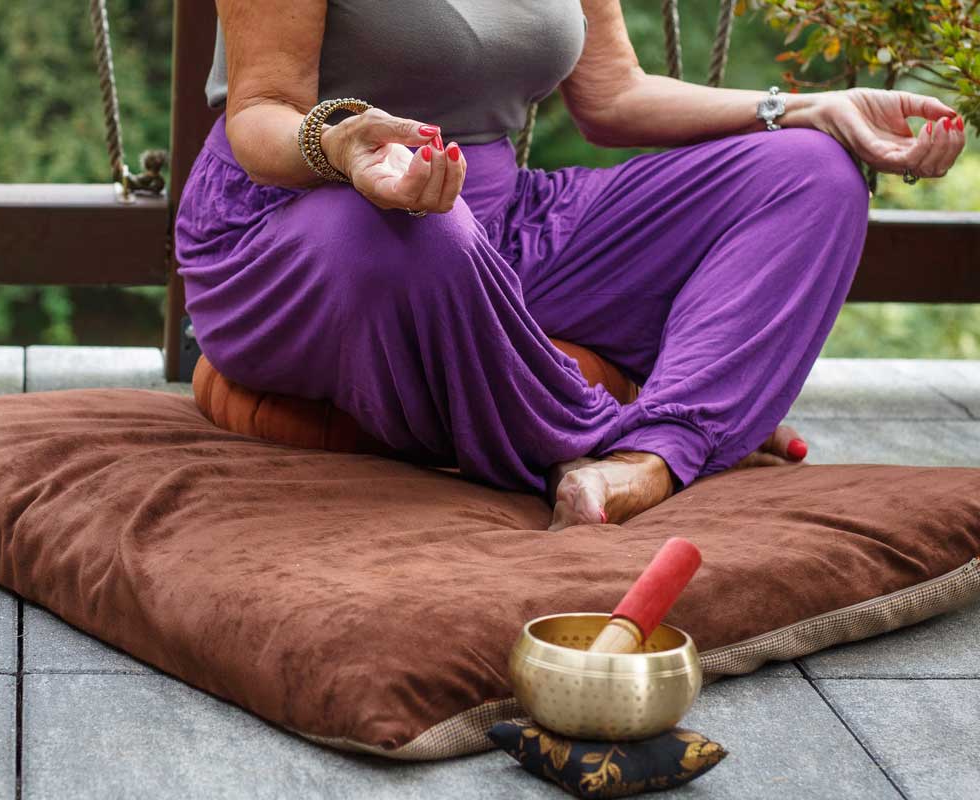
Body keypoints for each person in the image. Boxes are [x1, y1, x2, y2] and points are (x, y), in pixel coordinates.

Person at [174, 0, 967, 529]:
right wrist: (344, 147)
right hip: (300, 225)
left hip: (503, 221)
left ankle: (648, 459)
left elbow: (613, 96)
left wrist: (804, 108)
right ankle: (660, 430)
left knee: (811, 173)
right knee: (421, 236)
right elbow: (260, 113)